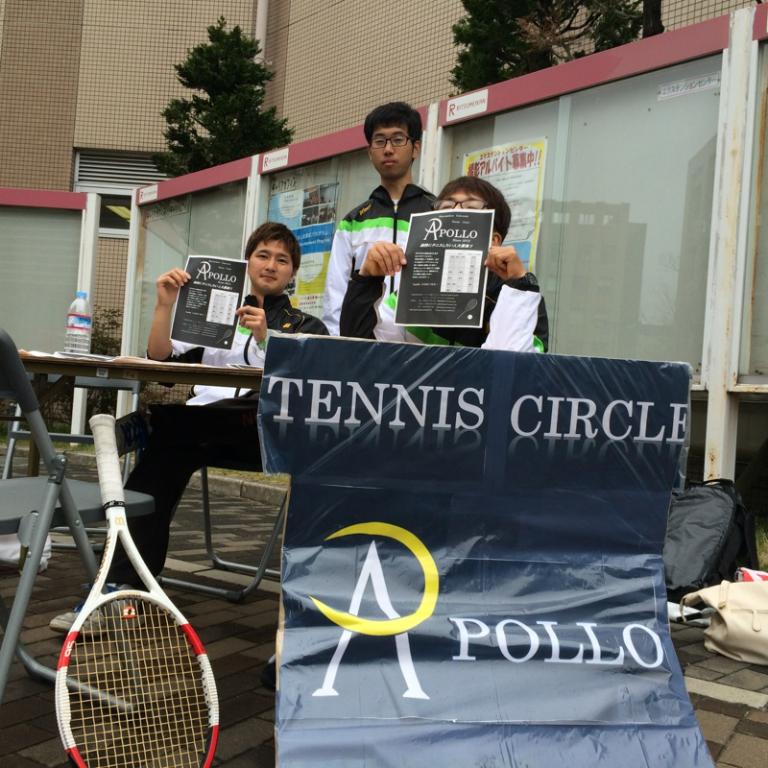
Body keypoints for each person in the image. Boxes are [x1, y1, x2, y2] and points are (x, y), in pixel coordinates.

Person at [51, 222, 328, 630]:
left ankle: (150, 425)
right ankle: (123, 591)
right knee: (165, 455)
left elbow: (307, 388)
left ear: (293, 273)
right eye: (263, 255)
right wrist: (165, 304)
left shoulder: (307, 326)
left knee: (174, 431)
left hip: (262, 436)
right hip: (199, 433)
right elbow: (160, 360)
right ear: (247, 262)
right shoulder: (215, 309)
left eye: (282, 260)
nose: (271, 265)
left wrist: (266, 339)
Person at [340, 175, 549, 352]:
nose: (454, 213)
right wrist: (367, 280)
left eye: (471, 207)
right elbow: (362, 353)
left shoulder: (519, 298)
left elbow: (514, 368)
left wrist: (518, 286)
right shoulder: (410, 293)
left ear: (494, 240)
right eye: (447, 206)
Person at [322, 102, 435, 335]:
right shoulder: (352, 223)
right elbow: (335, 298)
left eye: (398, 139)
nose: (388, 149)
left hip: (421, 346)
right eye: (380, 141)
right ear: (370, 152)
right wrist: (337, 345)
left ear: (415, 148)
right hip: (364, 345)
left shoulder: (436, 214)